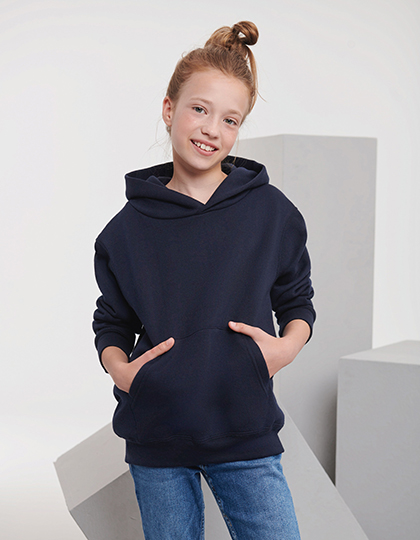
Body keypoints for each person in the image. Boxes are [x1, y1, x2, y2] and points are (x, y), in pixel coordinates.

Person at [93, 21, 315, 540]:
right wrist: (122, 371)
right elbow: (112, 321)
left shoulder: (271, 212)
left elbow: (296, 298)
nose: (212, 129)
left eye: (230, 119)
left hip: (244, 427)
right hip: (156, 436)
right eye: (199, 109)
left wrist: (285, 348)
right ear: (169, 109)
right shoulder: (124, 232)